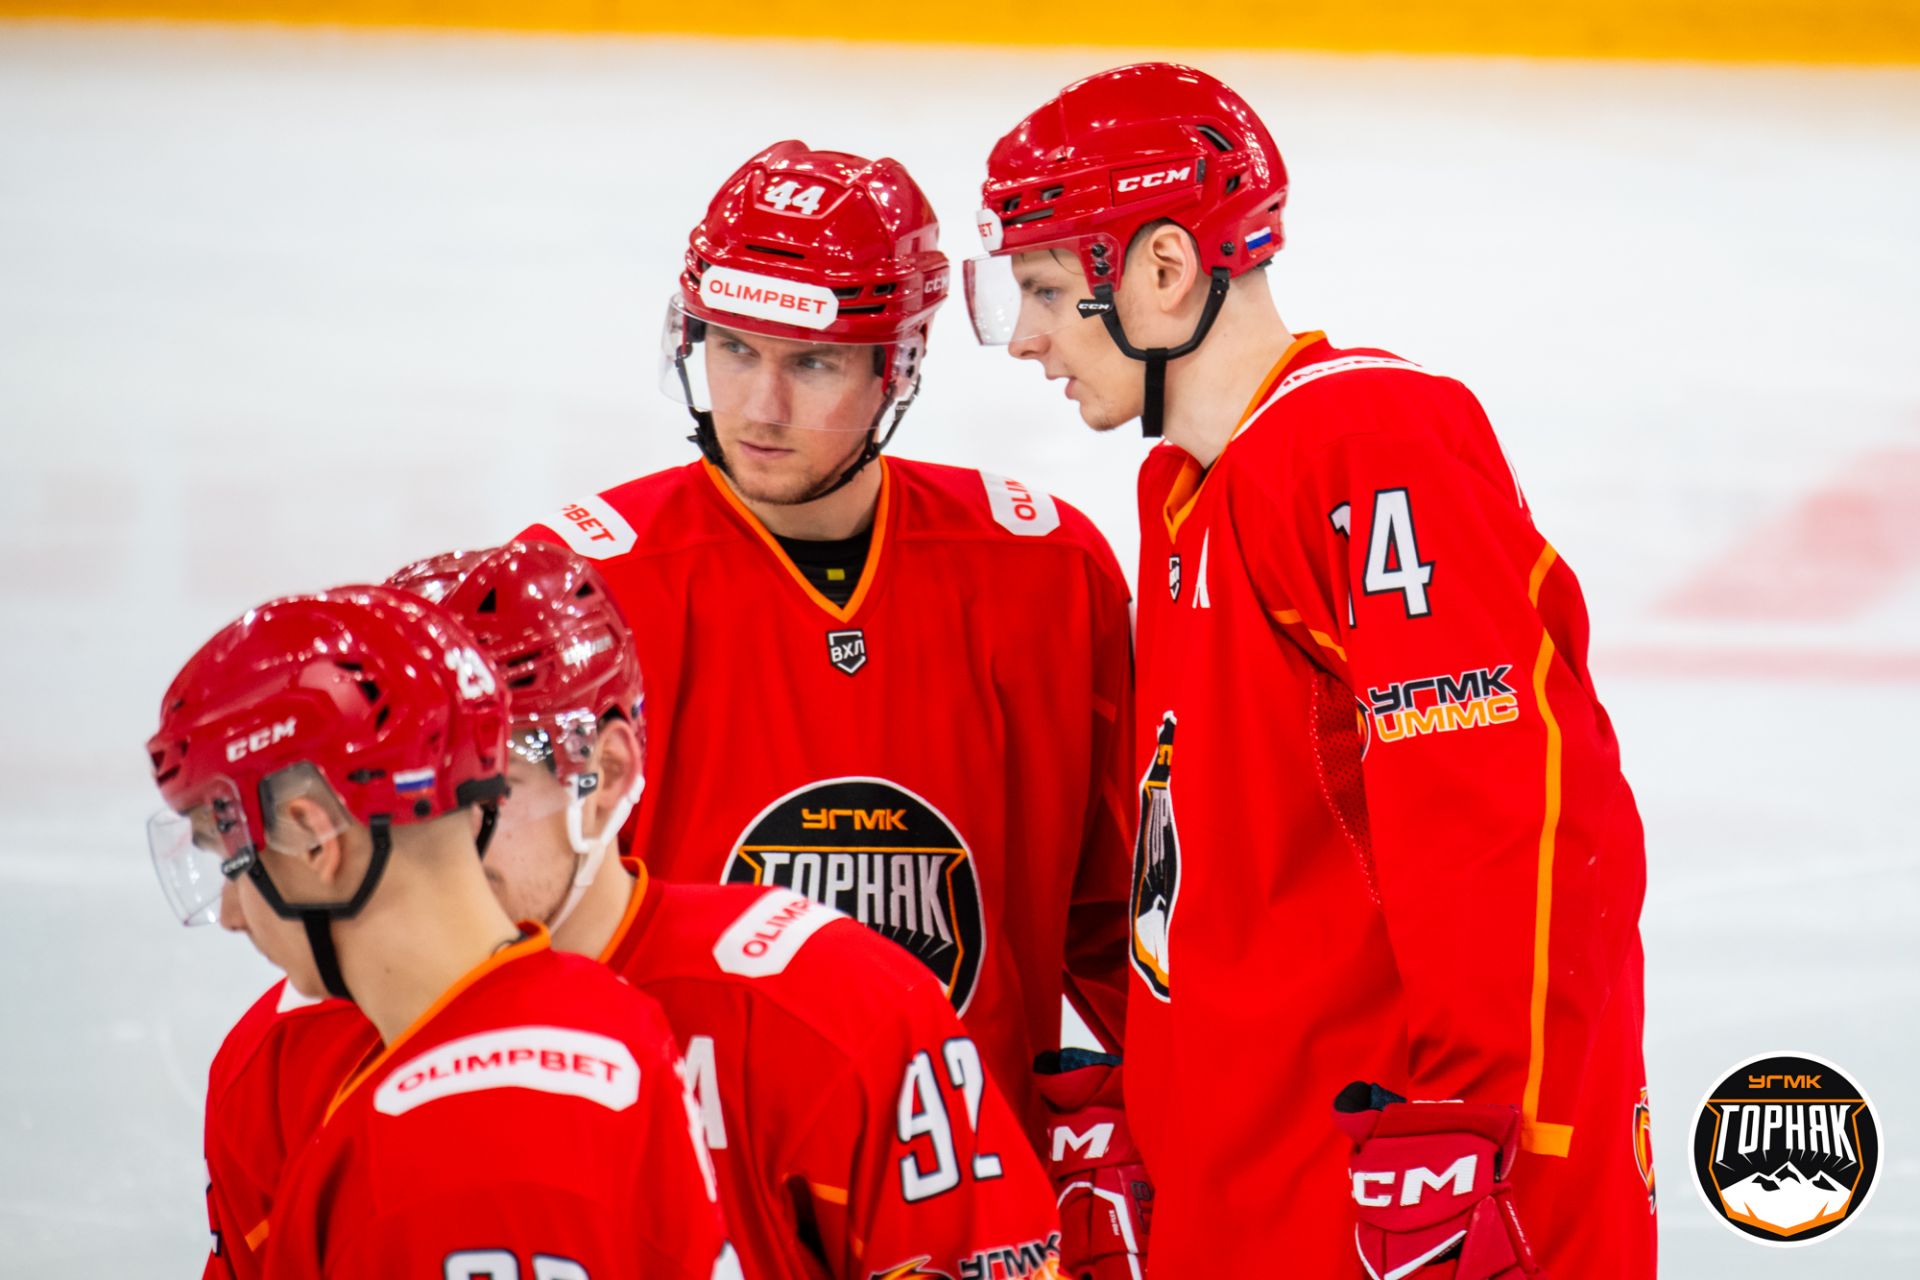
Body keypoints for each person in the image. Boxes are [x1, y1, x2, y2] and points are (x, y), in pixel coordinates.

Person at [966, 62, 1656, 1278]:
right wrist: (1156, 1109)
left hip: (1401, 1204)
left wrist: (1470, 1132)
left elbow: (1509, 815)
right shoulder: (1184, 489)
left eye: (1047, 291)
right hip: (1259, 1193)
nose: (1024, 338)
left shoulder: (1362, 444)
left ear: (1164, 270)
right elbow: (1233, 865)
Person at [517, 142, 1149, 1276]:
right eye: (733, 348)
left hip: (964, 1210)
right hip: (683, 1209)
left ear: (899, 363)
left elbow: (1122, 927)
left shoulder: (1047, 572)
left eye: (812, 362)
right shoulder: (577, 591)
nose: (759, 407)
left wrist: (1180, 1136)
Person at [390, 540, 1066, 1279]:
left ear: (605, 774)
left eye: (479, 793)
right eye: (395, 802)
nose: (425, 850)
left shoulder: (833, 1013)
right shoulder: (311, 1058)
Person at [147, 586, 734, 1278]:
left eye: (234, 861)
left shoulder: (434, 1160)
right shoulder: (610, 1012)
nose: (232, 914)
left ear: (314, 839)